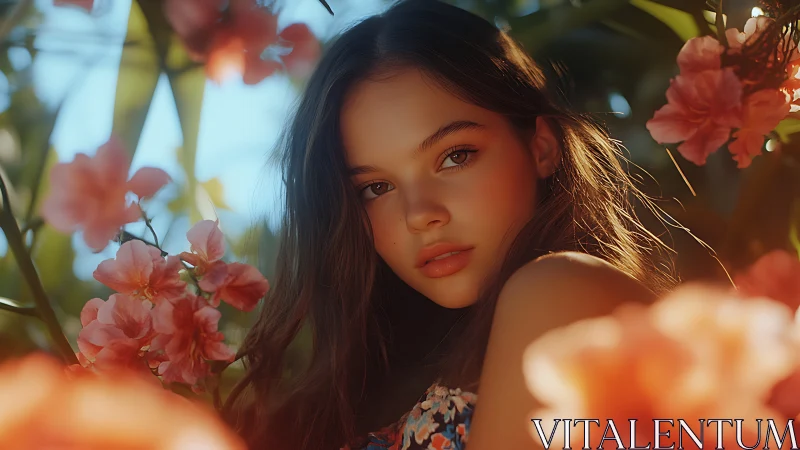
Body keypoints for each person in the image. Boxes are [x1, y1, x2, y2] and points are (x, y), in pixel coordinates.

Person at [222, 0, 677, 448]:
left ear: (541, 147)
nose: (419, 214)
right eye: (376, 188)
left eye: (455, 156)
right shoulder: (369, 389)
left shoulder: (559, 288)